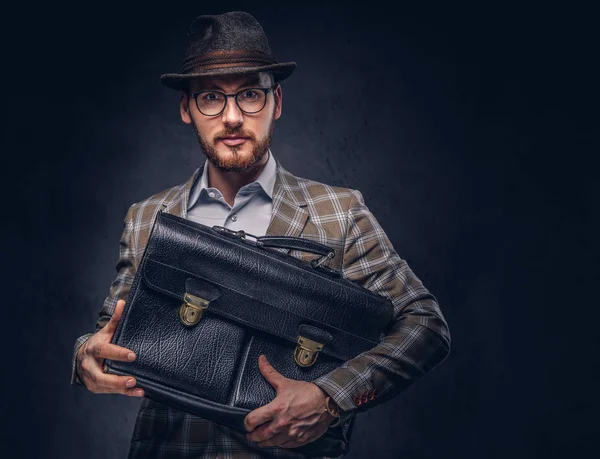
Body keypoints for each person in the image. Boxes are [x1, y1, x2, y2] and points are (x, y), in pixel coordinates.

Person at [71, 11, 451, 459]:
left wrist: (332, 397)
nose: (232, 117)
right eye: (211, 97)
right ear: (187, 109)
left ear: (277, 103)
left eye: (250, 94)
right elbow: (109, 330)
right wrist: (85, 357)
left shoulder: (340, 213)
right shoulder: (147, 217)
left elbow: (425, 324)